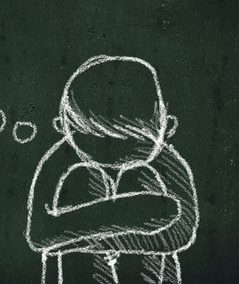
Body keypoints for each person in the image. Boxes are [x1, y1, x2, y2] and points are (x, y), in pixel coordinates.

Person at [26, 55, 199, 283]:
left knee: (139, 176)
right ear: (63, 128)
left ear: (167, 129)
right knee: (85, 177)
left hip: (149, 273)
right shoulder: (59, 160)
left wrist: (95, 237)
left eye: (132, 137)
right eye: (94, 136)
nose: (112, 149)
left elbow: (181, 232)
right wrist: (125, 219)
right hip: (79, 271)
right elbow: (39, 235)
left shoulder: (167, 162)